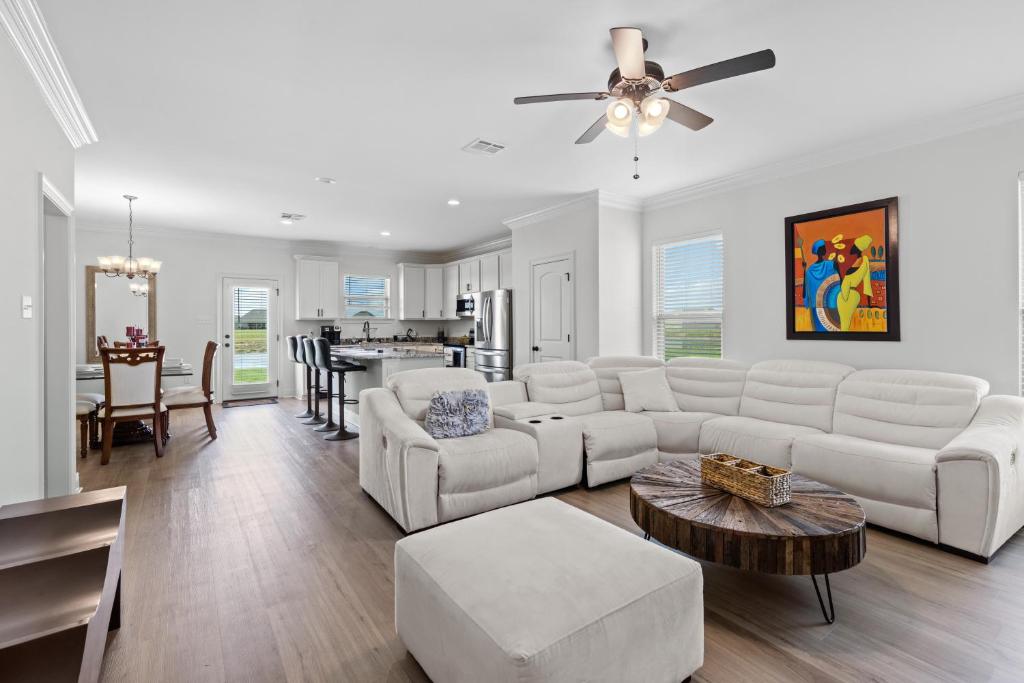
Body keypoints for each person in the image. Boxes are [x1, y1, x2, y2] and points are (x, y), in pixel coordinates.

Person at [836, 235, 873, 331]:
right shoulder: (862, 261)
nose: (852, 247)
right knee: (845, 323)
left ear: (858, 248)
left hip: (848, 295)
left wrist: (869, 304)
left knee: (845, 323)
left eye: (855, 246)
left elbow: (865, 281)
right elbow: (866, 282)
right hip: (847, 294)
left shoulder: (862, 261)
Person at [803, 239, 837, 332]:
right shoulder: (832, 265)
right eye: (823, 248)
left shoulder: (809, 270)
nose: (825, 249)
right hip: (830, 304)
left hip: (816, 306)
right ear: (819, 251)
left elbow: (805, 291)